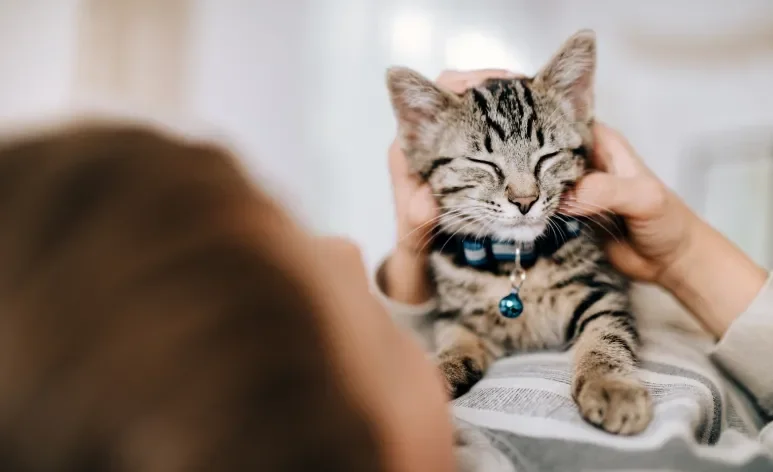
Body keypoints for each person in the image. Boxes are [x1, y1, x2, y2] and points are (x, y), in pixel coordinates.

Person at [376, 69, 773, 470]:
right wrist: (455, 345)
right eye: (482, 162)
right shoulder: (443, 261)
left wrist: (603, 370)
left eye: (547, 159)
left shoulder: (584, 242)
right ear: (418, 135)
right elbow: (455, 323)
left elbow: (602, 313)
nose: (525, 194)